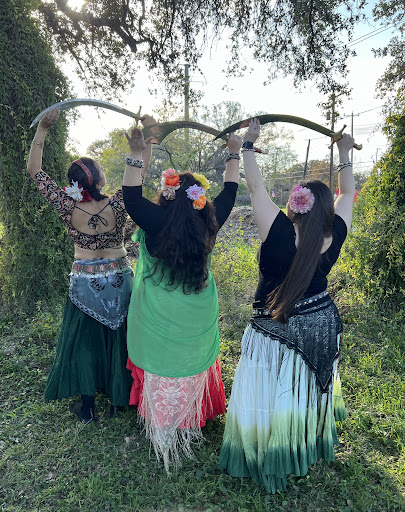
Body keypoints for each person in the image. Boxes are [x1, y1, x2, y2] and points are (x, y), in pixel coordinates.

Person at [219, 118, 356, 493]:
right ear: (325, 210)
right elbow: (347, 193)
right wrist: (344, 152)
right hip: (320, 325)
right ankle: (299, 446)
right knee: (301, 391)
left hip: (273, 331)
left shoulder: (278, 229)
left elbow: (255, 186)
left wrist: (248, 144)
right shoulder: (335, 233)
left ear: (296, 204)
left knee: (271, 392)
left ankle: (268, 450)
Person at [122, 127, 242, 471]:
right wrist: (235, 151)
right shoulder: (210, 222)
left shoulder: (154, 219)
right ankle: (189, 418)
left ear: (167, 194)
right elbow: (230, 190)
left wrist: (136, 152)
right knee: (190, 362)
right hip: (197, 312)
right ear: (200, 200)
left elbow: (131, 197)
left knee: (161, 364)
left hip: (157, 314)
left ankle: (163, 428)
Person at [27, 108, 140, 423]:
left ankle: (88, 407)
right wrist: (140, 148)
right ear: (99, 179)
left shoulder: (66, 205)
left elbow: (35, 170)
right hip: (119, 277)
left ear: (75, 184)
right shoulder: (118, 202)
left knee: (87, 341)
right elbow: (138, 173)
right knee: (119, 336)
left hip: (85, 281)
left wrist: (42, 129)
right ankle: (118, 400)